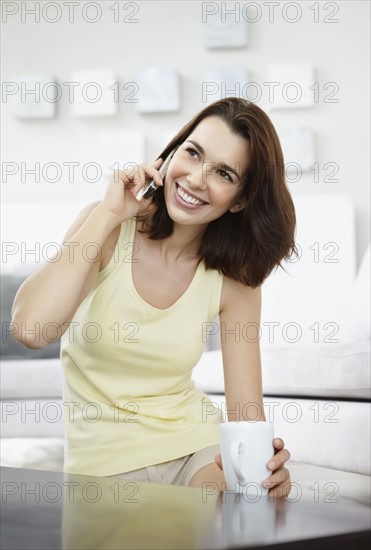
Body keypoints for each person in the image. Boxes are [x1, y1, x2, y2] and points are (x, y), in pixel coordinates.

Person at [12, 97, 295, 498]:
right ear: (172, 152)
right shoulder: (109, 228)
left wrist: (266, 474)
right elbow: (30, 329)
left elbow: (246, 414)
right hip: (103, 467)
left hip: (198, 449)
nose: (196, 178)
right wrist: (109, 213)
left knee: (250, 507)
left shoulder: (236, 278)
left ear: (242, 200)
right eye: (193, 153)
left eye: (224, 174)